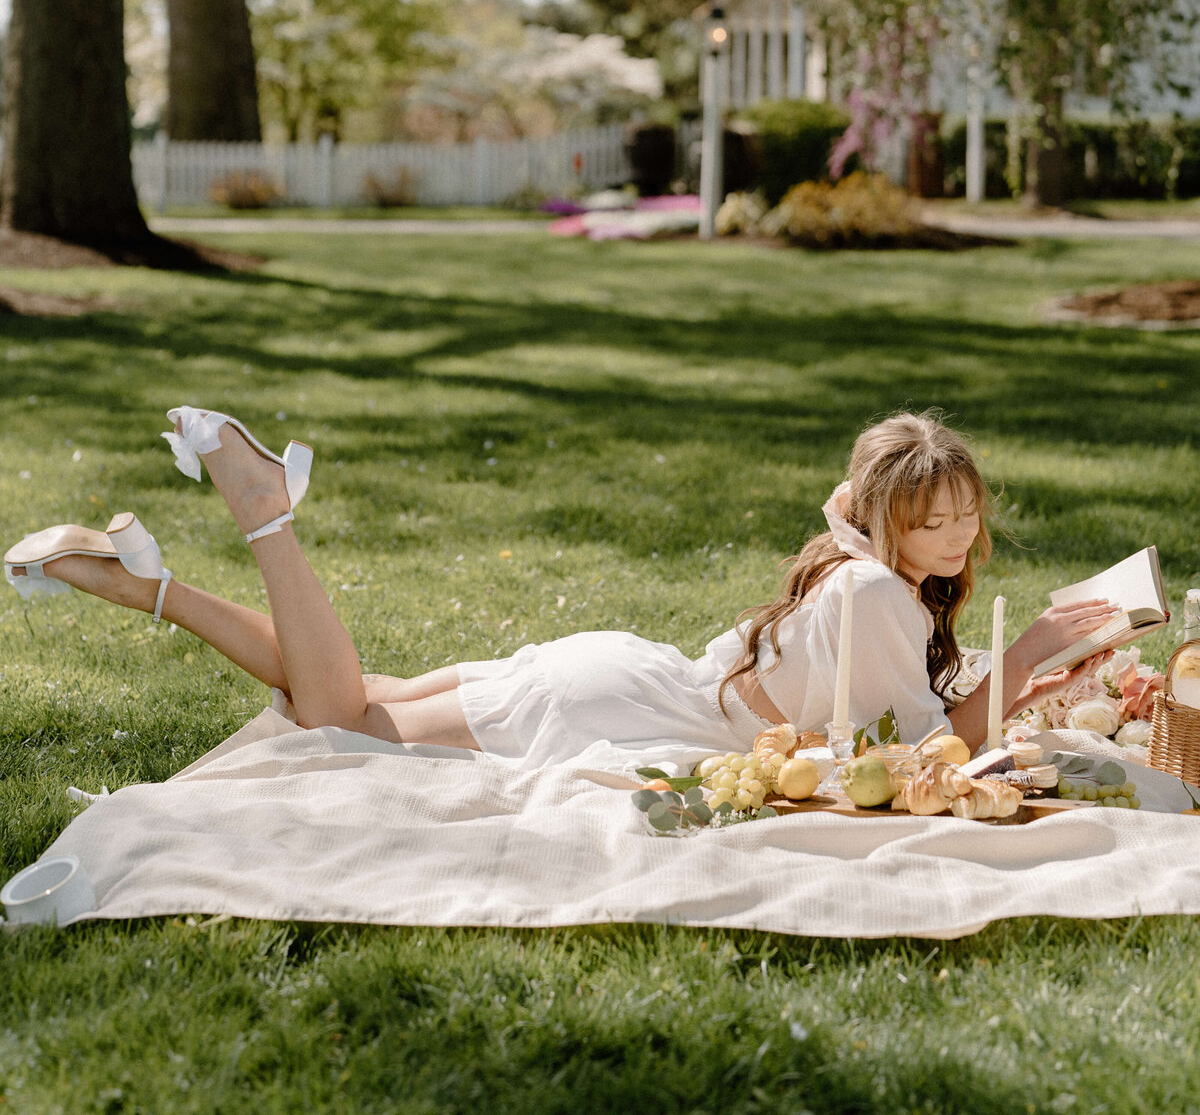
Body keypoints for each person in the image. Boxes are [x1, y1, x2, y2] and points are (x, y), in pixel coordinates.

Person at [3, 407, 1118, 765]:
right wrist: (1028, 663)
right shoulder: (876, 593)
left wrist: (883, 499)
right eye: (931, 519)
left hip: (629, 671)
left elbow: (841, 502)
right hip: (620, 709)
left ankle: (133, 580)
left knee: (338, 697)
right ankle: (265, 512)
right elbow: (937, 754)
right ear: (889, 521)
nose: (957, 537)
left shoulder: (850, 556)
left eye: (967, 515)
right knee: (342, 715)